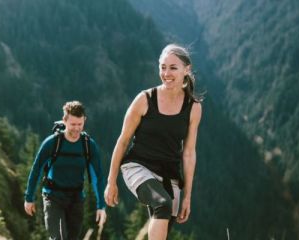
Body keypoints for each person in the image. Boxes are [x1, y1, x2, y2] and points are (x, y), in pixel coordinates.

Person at [104, 44, 203, 240]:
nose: (166, 73)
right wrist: (111, 181)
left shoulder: (193, 107)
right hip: (138, 167)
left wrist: (187, 197)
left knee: (164, 225)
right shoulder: (144, 99)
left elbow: (189, 153)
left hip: (169, 174)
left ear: (187, 69)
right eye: (162, 67)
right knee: (162, 204)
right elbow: (123, 141)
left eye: (173, 68)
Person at [24, 101, 107, 240]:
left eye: (80, 124)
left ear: (84, 120)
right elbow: (36, 170)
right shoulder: (52, 143)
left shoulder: (88, 145)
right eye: (73, 124)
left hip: (76, 199)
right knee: (57, 237)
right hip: (53, 197)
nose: (76, 128)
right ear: (64, 121)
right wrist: (29, 198)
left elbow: (97, 176)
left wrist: (101, 206)